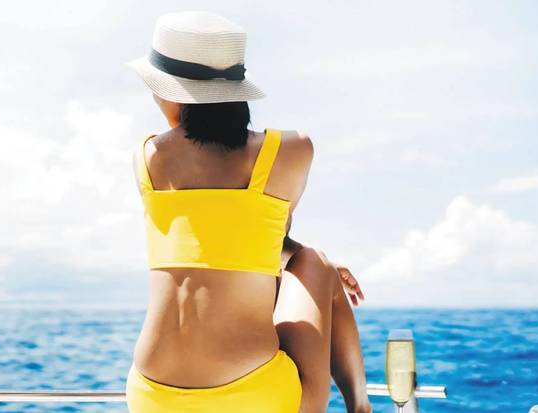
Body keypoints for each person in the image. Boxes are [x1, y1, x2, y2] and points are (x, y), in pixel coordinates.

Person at [124, 11, 372, 413]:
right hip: (252, 397)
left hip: (153, 396)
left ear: (173, 92)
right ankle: (362, 408)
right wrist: (318, 273)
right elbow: (262, 238)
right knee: (315, 261)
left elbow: (215, 239)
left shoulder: (147, 158)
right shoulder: (291, 151)